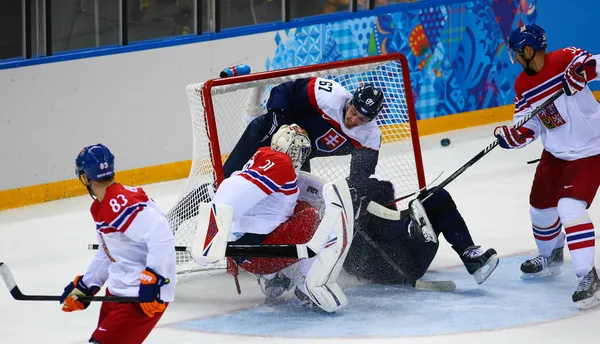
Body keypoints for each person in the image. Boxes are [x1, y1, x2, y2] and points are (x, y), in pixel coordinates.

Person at [493, 24, 600, 309]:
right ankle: (551, 256)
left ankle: (587, 275)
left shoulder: (565, 58)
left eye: (517, 53)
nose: (514, 58)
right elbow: (529, 125)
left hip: (589, 150)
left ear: (528, 50)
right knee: (539, 209)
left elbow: (596, 64)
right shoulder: (521, 85)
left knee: (570, 208)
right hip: (554, 154)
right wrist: (514, 137)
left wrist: (584, 73)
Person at [208, 124, 355, 313]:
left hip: (248, 252)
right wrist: (212, 230)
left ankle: (275, 276)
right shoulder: (280, 163)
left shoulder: (262, 156)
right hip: (255, 254)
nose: (298, 157)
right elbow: (234, 191)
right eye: (294, 150)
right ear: (282, 145)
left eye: (302, 152)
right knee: (314, 218)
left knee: (302, 209)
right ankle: (307, 284)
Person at [59, 144, 177, 343]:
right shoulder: (104, 205)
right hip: (119, 291)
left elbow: (162, 235)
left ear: (85, 178)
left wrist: (154, 279)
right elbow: (109, 252)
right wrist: (87, 284)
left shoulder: (118, 203)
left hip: (142, 296)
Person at [343, 179, 499, 286]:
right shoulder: (342, 217)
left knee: (438, 196)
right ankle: (412, 227)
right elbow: (347, 261)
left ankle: (471, 258)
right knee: (381, 207)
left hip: (410, 257)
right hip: (385, 266)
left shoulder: (374, 192)